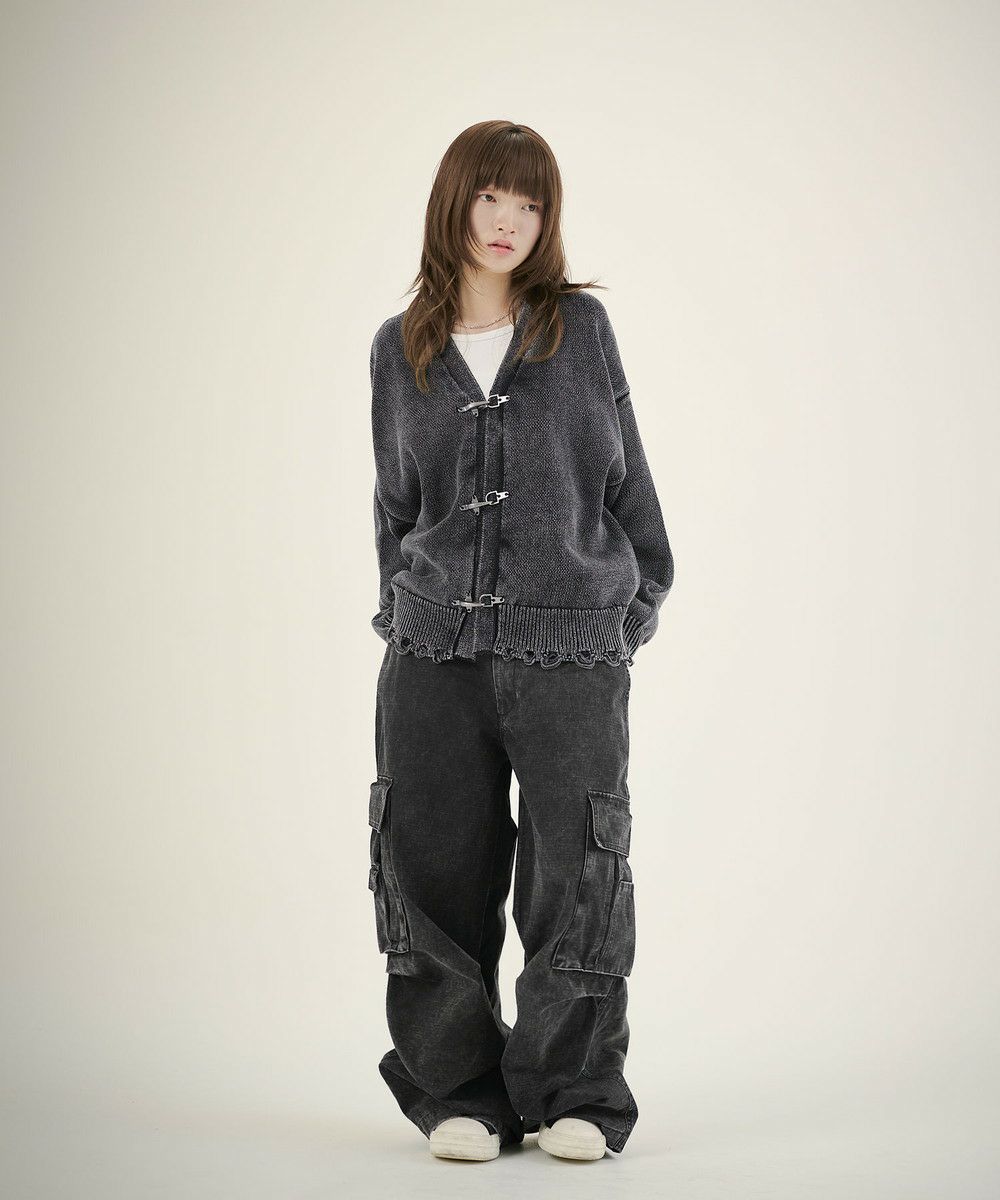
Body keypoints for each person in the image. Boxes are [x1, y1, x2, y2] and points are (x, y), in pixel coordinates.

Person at [366, 119, 674, 1162]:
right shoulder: (399, 346)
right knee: (430, 868)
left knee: (577, 869)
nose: (507, 220)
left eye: (530, 202)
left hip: (573, 652)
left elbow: (627, 477)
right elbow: (395, 504)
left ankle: (574, 1090)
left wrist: (632, 606)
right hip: (431, 657)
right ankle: (458, 1090)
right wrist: (407, 612)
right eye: (490, 196)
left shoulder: (577, 330)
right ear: (453, 201)